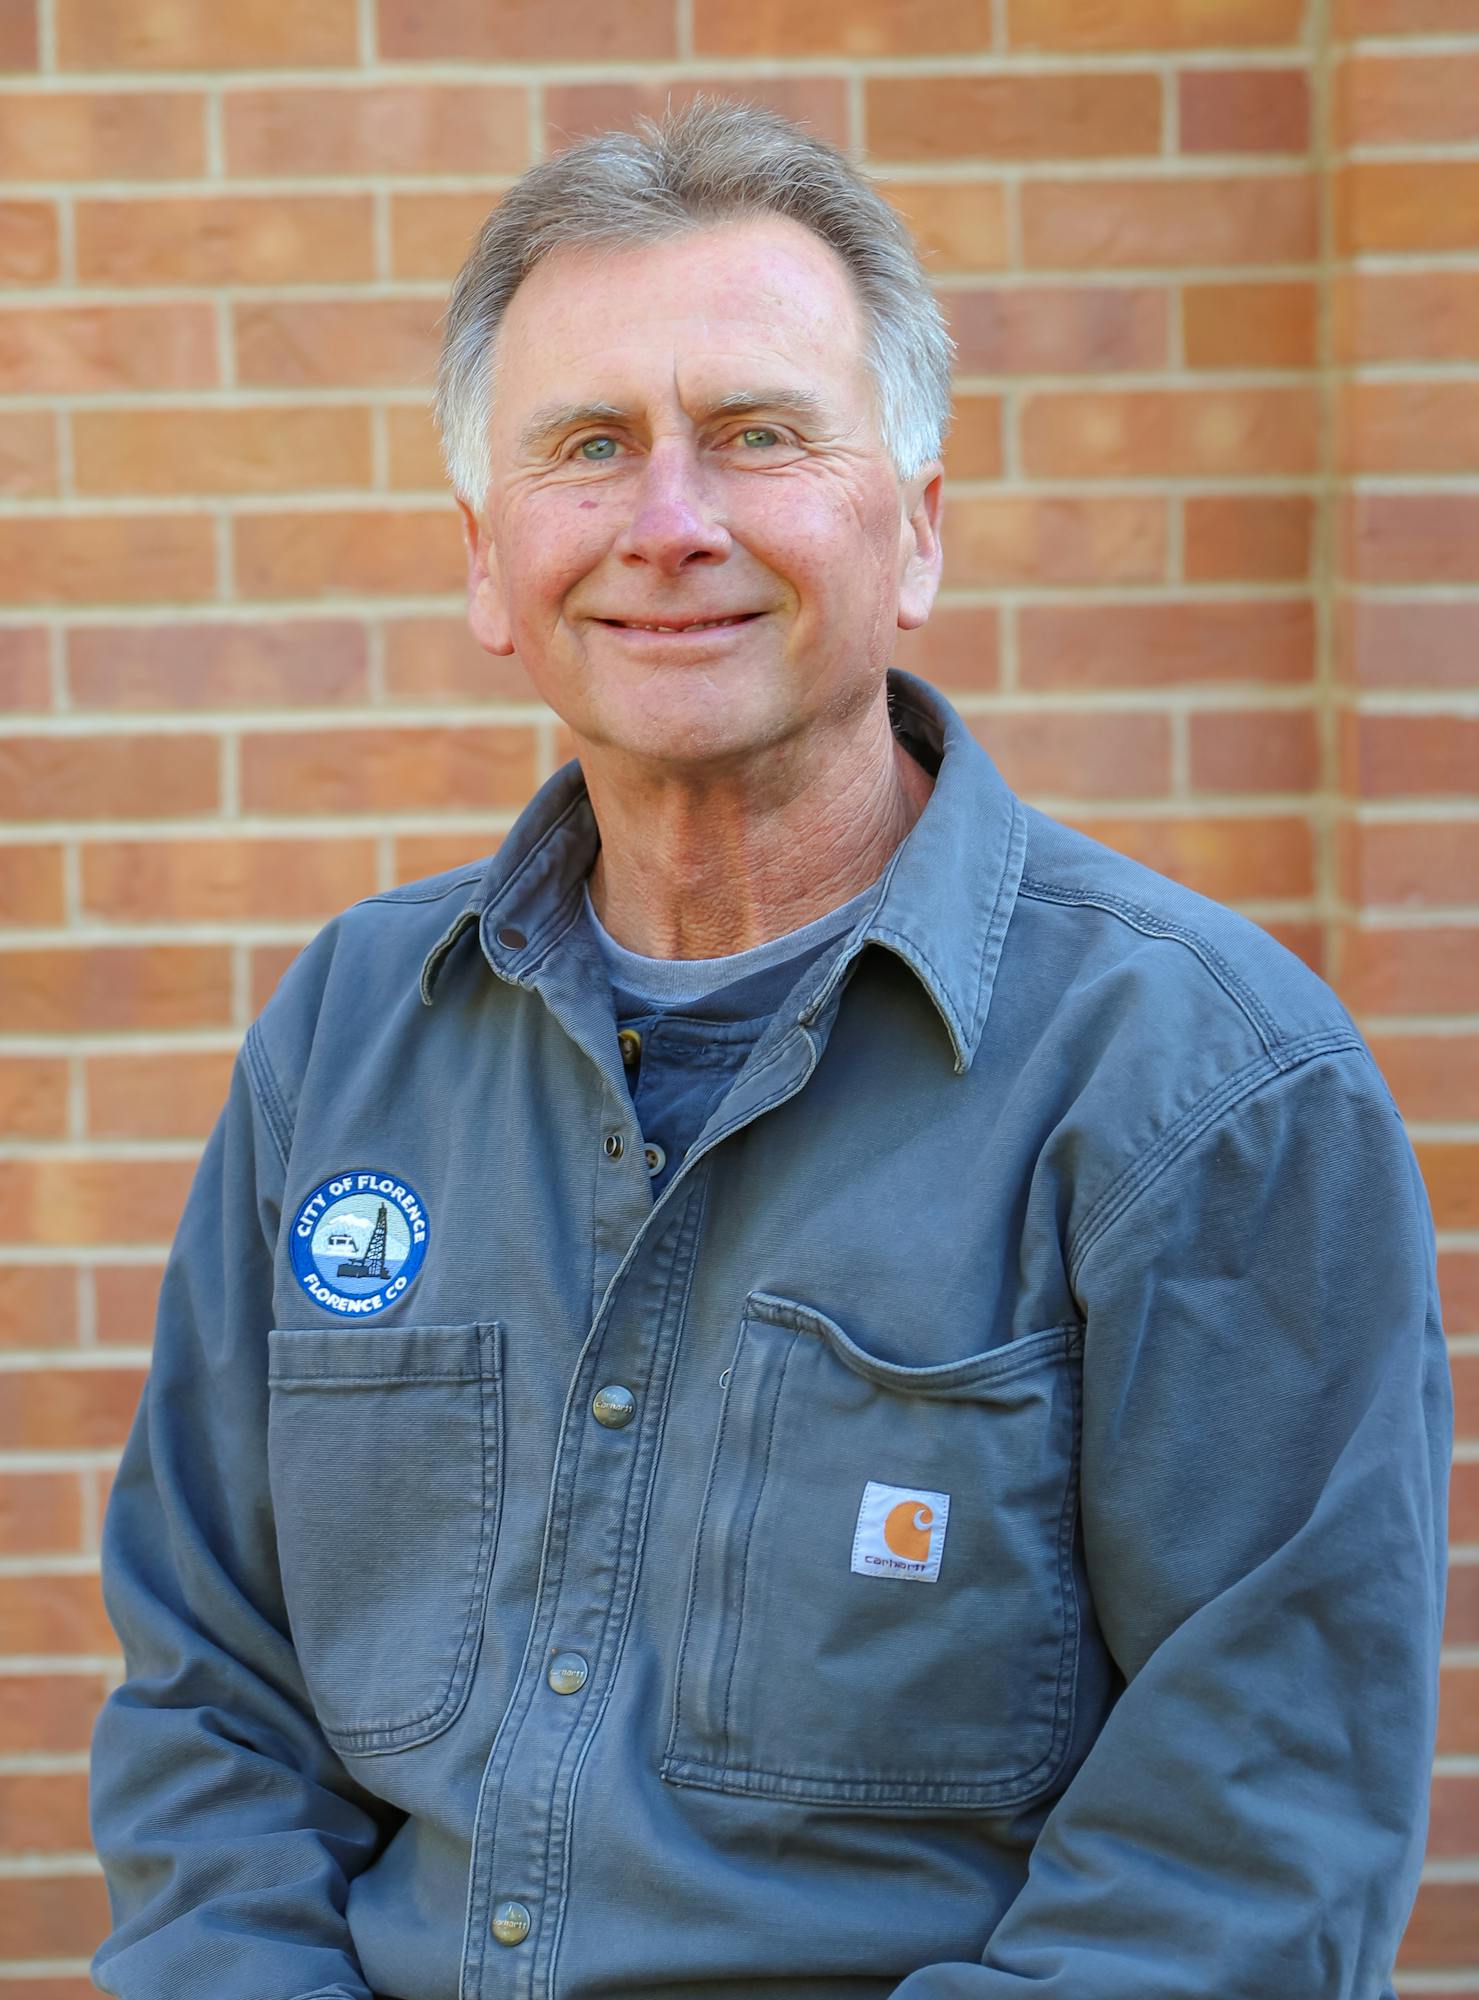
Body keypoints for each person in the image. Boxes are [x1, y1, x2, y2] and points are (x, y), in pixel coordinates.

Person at [89, 100, 1450, 2000]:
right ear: (491, 565)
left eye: (756, 434)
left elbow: (1248, 1852)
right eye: (588, 450)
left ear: (915, 533)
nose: (669, 522)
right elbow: (211, 1713)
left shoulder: (1203, 1089)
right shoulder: (346, 1043)